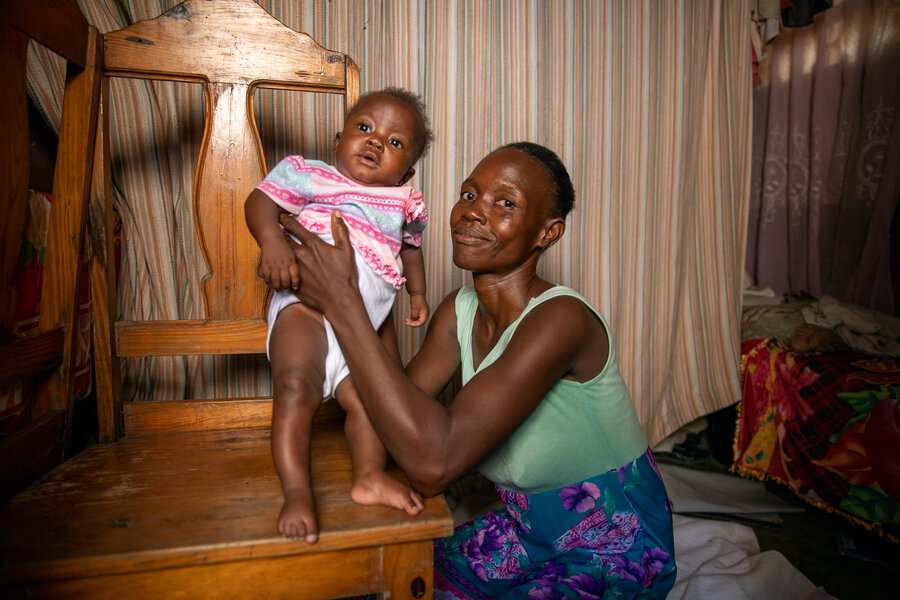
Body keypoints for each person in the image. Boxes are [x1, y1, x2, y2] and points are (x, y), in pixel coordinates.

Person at [280, 142, 677, 598]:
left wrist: (345, 302)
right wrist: (374, 291)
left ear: (547, 233)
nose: (473, 212)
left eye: (505, 203)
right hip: (524, 529)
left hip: (613, 544)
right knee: (380, 583)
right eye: (469, 195)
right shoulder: (459, 310)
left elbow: (433, 465)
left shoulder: (560, 320)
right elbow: (394, 419)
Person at [244, 88, 434, 543]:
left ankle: (367, 476)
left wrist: (419, 293)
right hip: (304, 311)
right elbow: (260, 202)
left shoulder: (403, 201)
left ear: (405, 172)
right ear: (337, 141)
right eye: (364, 128)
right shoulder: (312, 177)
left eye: (394, 141)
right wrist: (272, 243)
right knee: (295, 387)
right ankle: (296, 491)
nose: (374, 142)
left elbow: (410, 251)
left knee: (371, 402)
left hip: (359, 331)